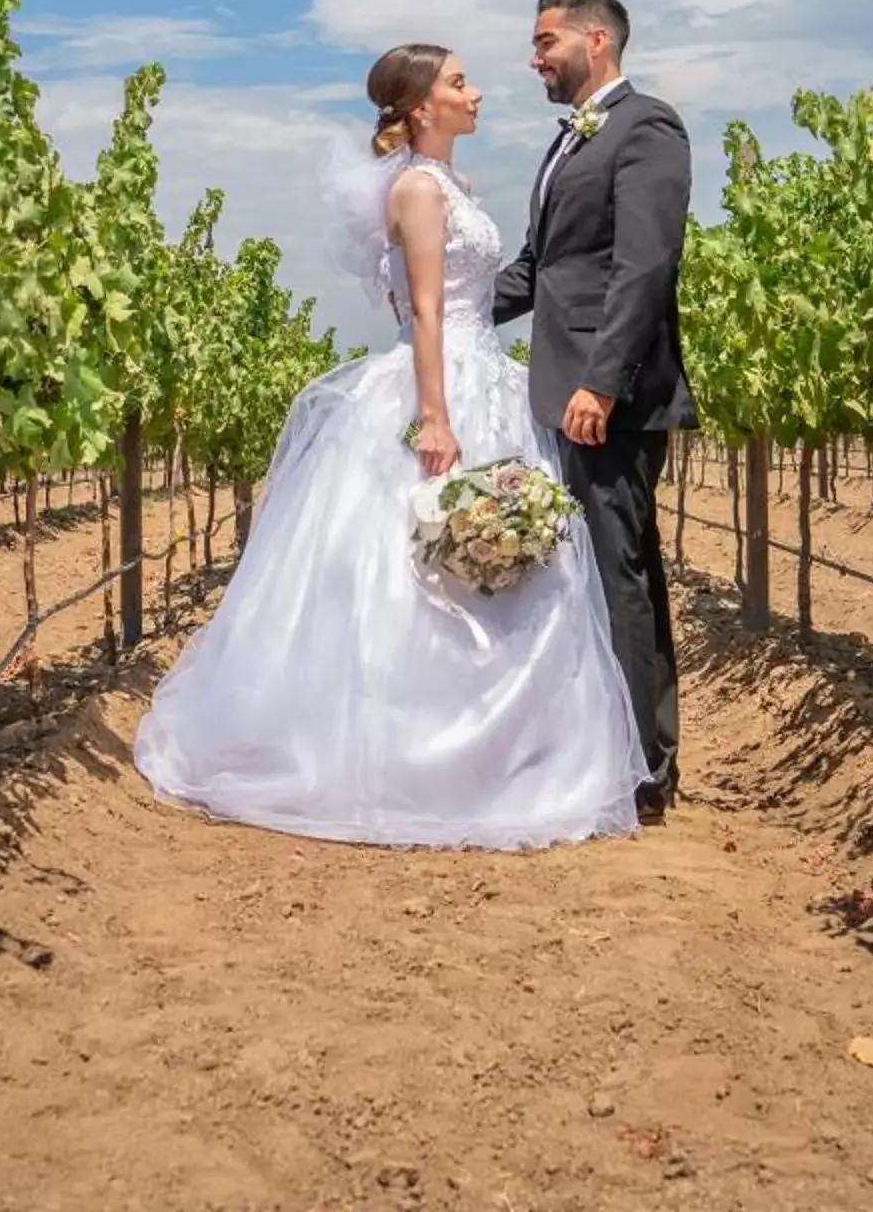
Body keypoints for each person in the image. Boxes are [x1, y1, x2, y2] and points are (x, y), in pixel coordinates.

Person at [131, 43, 648, 850]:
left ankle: (506, 757)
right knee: (420, 565)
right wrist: (436, 417)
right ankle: (406, 758)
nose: (475, 92)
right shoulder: (415, 188)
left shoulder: (451, 184)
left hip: (487, 375)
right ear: (420, 109)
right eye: (458, 82)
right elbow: (428, 312)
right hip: (442, 382)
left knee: (500, 566)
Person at [494, 0, 693, 821]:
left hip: (607, 396)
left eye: (545, 40)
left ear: (597, 40)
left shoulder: (646, 126)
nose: (534, 56)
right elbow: (543, 268)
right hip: (564, 388)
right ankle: (597, 749)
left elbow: (645, 266)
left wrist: (602, 382)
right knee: (583, 574)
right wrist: (437, 303)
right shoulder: (566, 142)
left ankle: (644, 768)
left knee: (618, 575)